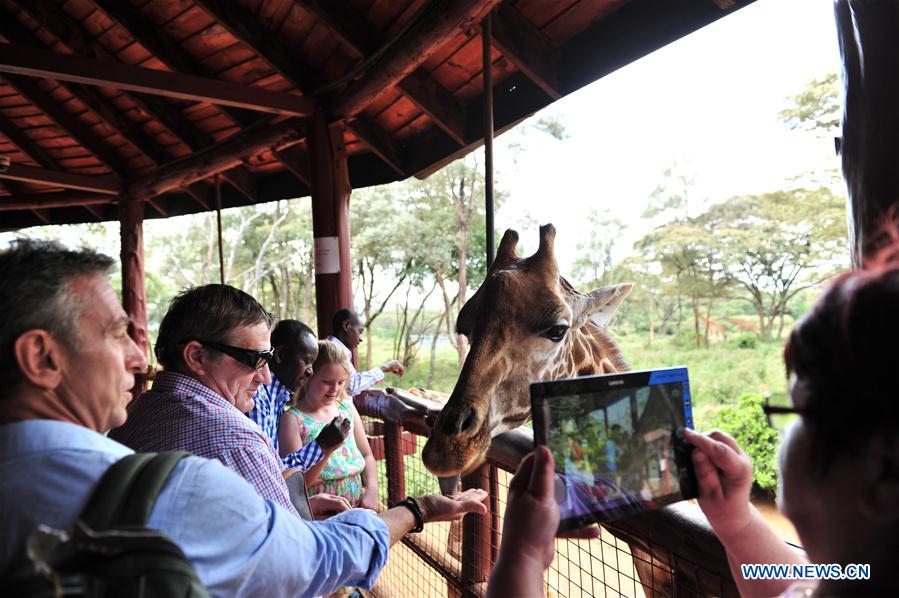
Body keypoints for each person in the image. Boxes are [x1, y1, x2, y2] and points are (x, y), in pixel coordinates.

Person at [0, 240, 488, 596]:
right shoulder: (228, 443)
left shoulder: (135, 420)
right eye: (113, 334)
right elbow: (312, 565)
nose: (134, 357)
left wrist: (288, 510)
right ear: (42, 358)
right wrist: (416, 511)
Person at [280, 340, 379, 511]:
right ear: (308, 376)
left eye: (341, 382)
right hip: (320, 513)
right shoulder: (293, 420)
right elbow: (294, 485)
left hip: (357, 507)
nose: (335, 389)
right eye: (327, 381)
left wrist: (372, 489)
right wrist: (326, 449)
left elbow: (367, 454)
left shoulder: (346, 408)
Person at [247, 319, 352, 475]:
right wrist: (322, 445)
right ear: (280, 355)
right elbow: (268, 473)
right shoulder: (257, 398)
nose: (310, 371)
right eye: (307, 362)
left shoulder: (276, 399)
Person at [328, 308, 404, 397]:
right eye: (360, 332)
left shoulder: (336, 349)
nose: (360, 339)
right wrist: (383, 368)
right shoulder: (333, 351)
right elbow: (353, 386)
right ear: (346, 325)